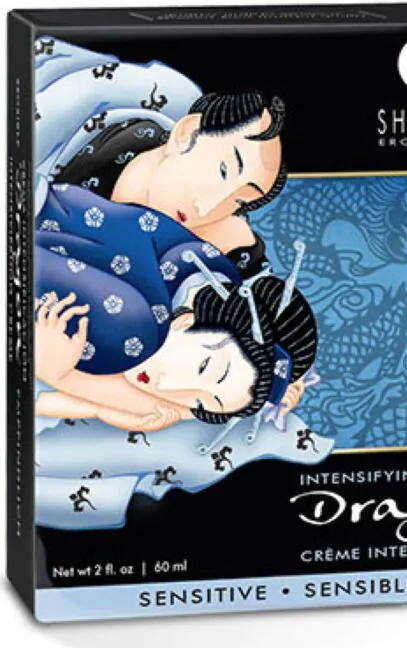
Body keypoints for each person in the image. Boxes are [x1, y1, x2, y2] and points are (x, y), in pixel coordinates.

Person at [35, 184, 317, 432]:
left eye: (198, 402)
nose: (166, 388)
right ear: (187, 320)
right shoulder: (133, 330)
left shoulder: (206, 265)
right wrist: (57, 375)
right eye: (204, 367)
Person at [52, 91, 287, 277]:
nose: (204, 209)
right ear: (187, 133)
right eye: (223, 171)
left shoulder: (228, 243)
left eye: (239, 202)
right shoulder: (95, 154)